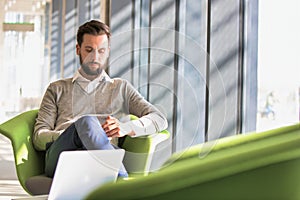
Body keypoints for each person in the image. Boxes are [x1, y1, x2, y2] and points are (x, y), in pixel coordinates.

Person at [33, 20, 168, 178]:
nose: (95, 57)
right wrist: (76, 133)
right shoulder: (57, 88)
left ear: (108, 51)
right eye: (89, 50)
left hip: (103, 157)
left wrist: (125, 128)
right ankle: (123, 183)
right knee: (87, 123)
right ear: (78, 49)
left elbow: (159, 119)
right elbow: (38, 137)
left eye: (101, 51)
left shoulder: (121, 88)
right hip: (62, 157)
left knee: (95, 138)